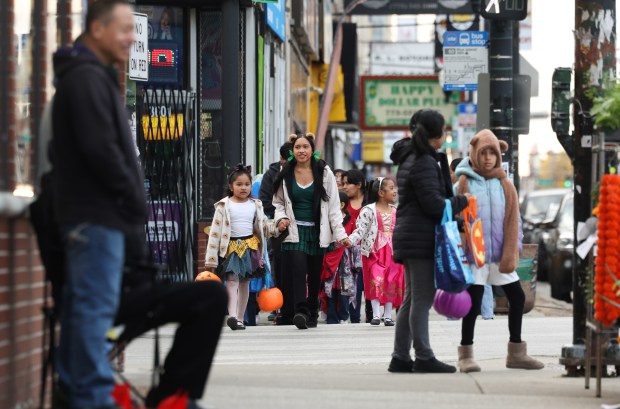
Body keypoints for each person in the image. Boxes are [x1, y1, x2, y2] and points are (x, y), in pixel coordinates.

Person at [49, 2, 146, 407]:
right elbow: (99, 149)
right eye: (123, 29)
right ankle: (91, 397)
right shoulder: (86, 79)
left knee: (84, 310)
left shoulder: (88, 76)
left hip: (91, 216)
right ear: (96, 28)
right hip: (96, 217)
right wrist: (130, 194)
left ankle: (78, 392)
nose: (131, 38)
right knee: (94, 310)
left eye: (132, 30)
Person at [453, 129, 544, 373]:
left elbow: (513, 220)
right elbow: (452, 216)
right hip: (476, 256)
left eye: (493, 153)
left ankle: (516, 352)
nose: (488, 158)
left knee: (518, 298)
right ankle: (466, 354)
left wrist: (511, 254)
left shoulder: (505, 184)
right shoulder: (464, 181)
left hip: (500, 256)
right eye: (484, 153)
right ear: (475, 153)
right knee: (472, 304)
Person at [388, 109, 469, 374]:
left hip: (412, 235)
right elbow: (433, 204)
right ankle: (423, 356)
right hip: (420, 238)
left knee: (412, 299)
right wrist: (462, 201)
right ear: (437, 134)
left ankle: (401, 357)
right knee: (421, 299)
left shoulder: (411, 157)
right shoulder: (423, 161)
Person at [272, 133, 351, 330]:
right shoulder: (285, 172)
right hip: (294, 231)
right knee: (298, 268)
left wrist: (341, 235)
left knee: (315, 274)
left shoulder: (325, 173)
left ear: (312, 149)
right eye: (297, 147)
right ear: (292, 151)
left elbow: (333, 207)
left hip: (318, 231)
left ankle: (312, 312)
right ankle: (301, 311)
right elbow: (279, 203)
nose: (301, 151)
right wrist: (280, 219)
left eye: (305, 147)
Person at [204, 165, 284, 330]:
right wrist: (210, 259)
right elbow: (215, 233)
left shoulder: (256, 205)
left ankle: (240, 318)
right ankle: (232, 316)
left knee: (245, 283)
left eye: (247, 184)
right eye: (239, 184)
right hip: (231, 248)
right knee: (232, 282)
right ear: (231, 186)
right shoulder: (223, 206)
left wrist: (277, 227)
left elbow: (263, 227)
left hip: (250, 247)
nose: (243, 188)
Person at [349, 177, 404, 326]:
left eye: (395, 188)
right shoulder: (368, 210)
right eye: (391, 188)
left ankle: (387, 316)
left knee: (391, 280)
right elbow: (360, 230)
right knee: (375, 278)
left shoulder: (396, 211)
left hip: (393, 252)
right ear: (381, 192)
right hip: (375, 251)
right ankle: (375, 314)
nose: (395, 191)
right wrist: (350, 240)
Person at [259, 142, 293, 324]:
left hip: (301, 227)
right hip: (278, 230)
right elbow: (265, 201)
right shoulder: (271, 175)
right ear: (281, 159)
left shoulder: (306, 172)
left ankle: (296, 304)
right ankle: (280, 306)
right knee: (279, 266)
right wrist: (278, 220)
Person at [320, 192, 361, 324]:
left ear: (342, 205)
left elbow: (356, 243)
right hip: (330, 259)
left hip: (346, 262)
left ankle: (343, 316)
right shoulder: (327, 220)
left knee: (345, 289)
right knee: (330, 289)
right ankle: (331, 317)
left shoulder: (352, 221)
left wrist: (357, 262)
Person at [341, 169, 368, 323]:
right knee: (354, 287)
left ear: (358, 184)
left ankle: (372, 315)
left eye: (347, 183)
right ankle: (355, 319)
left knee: (370, 285)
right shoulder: (343, 203)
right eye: (343, 183)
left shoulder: (369, 202)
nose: (344, 186)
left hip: (368, 251)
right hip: (348, 253)